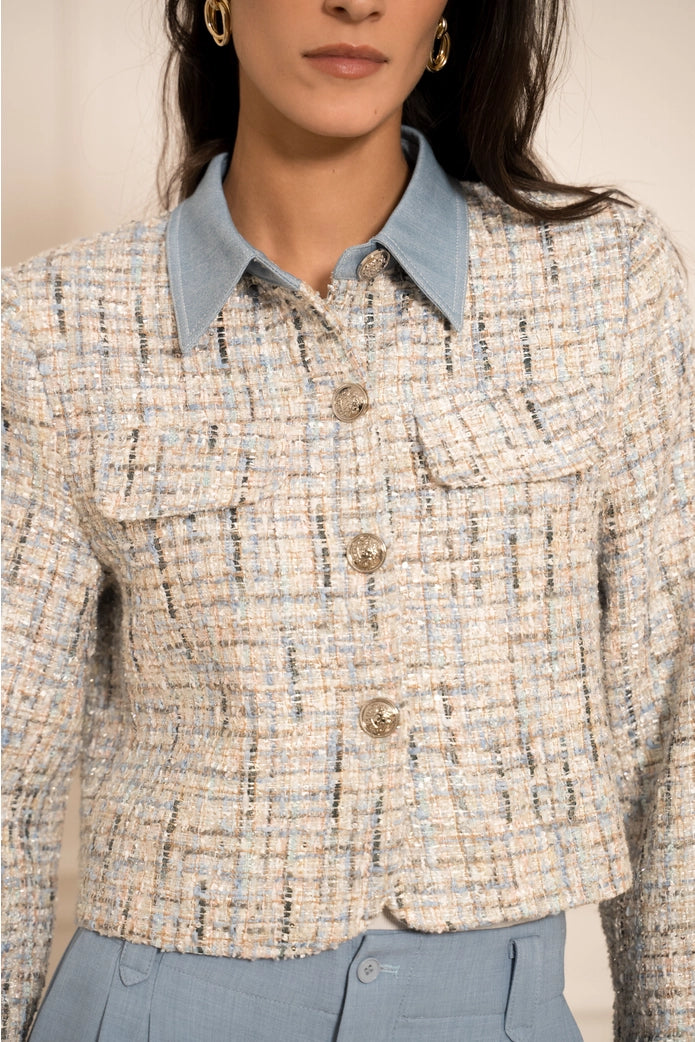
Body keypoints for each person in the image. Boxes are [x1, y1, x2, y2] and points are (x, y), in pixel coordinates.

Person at [2, 0, 693, 1039]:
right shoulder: (55, 326)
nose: (354, 3)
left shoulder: (605, 286)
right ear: (217, 6)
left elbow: (671, 720)